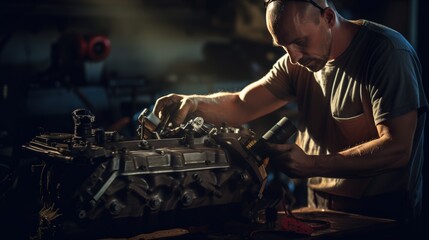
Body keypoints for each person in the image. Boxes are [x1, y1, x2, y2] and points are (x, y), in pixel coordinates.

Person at [153, 0, 427, 229]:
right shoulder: (297, 63)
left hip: (381, 214)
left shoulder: (386, 53)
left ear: (328, 17)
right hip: (317, 206)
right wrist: (194, 102)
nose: (293, 56)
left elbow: (398, 149)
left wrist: (313, 164)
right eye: (284, 46)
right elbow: (241, 105)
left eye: (299, 42)